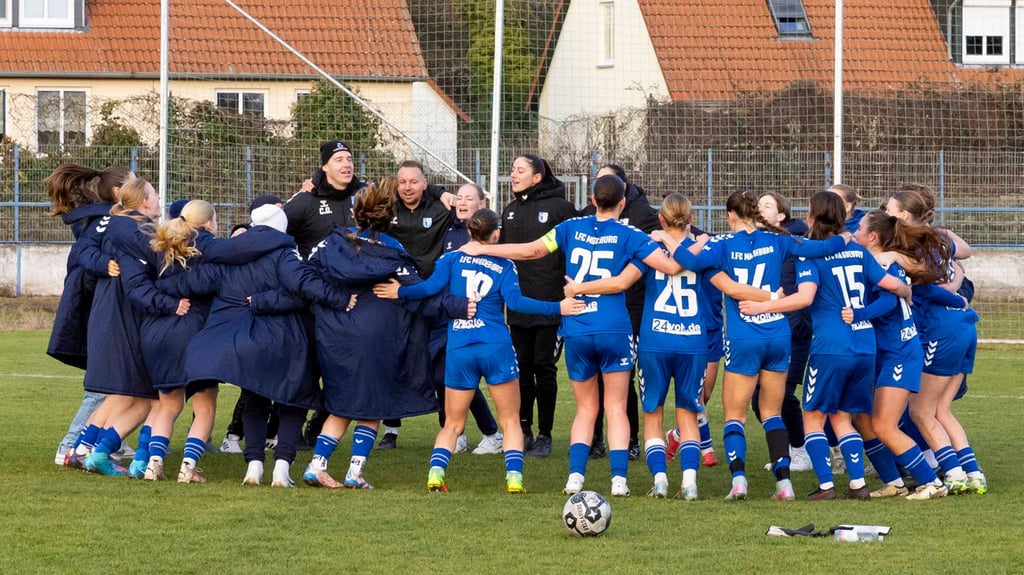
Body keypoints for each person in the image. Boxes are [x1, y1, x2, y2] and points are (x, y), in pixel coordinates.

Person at [463, 174, 687, 497]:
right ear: (623, 203)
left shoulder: (570, 228)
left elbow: (531, 251)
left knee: (585, 408)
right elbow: (669, 267)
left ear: (593, 201)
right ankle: (618, 480)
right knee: (616, 406)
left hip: (578, 327)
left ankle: (575, 478)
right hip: (613, 329)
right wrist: (669, 240)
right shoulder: (630, 234)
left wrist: (486, 249)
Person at [565, 193, 768, 500]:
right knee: (688, 413)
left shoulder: (650, 248)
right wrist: (772, 298)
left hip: (654, 342)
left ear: (660, 219)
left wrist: (579, 287)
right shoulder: (704, 249)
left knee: (653, 415)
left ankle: (660, 479)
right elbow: (729, 285)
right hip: (694, 342)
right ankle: (689, 483)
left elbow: (621, 281)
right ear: (691, 220)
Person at [374, 208, 584, 493]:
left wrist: (399, 292)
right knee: (510, 420)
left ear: (470, 232)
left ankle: (435, 475)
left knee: (452, 424)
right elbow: (517, 303)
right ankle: (514, 480)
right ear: (497, 234)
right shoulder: (505, 264)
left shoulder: (450, 259)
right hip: (495, 346)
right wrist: (557, 307)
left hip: (460, 346)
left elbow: (427, 290)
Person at [664, 190, 850, 501]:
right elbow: (822, 248)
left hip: (743, 337)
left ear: (730, 216)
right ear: (757, 215)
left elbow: (686, 261)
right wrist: (846, 237)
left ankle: (739, 481)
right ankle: (784, 484)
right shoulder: (780, 241)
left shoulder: (722, 245)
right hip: (778, 335)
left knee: (735, 415)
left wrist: (682, 241)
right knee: (772, 413)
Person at [294, 179, 472, 490]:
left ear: (355, 213)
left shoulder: (330, 245)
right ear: (389, 217)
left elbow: (303, 277)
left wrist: (335, 299)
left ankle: (316, 465)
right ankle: (354, 472)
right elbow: (423, 296)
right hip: (378, 337)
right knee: (374, 406)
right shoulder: (395, 253)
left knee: (341, 404)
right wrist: (458, 305)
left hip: (336, 338)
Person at [739, 192, 912, 500]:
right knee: (843, 416)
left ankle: (826, 485)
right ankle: (858, 484)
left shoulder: (811, 255)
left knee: (813, 416)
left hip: (831, 347)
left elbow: (805, 297)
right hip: (864, 346)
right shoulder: (859, 252)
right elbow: (892, 286)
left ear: (814, 216)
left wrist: (763, 307)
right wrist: (905, 289)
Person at [156, 204, 320, 487]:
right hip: (283, 337)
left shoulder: (228, 255)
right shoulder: (285, 253)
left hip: (242, 340)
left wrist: (153, 284)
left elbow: (189, 283)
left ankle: (253, 466)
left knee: (254, 399)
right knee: (292, 402)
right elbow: (301, 290)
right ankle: (282, 468)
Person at [848, 210, 965, 500]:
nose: (855, 231)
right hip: (889, 352)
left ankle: (931, 482)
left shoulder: (884, 263)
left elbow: (889, 300)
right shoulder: (880, 260)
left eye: (860, 228)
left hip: (900, 353)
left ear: (873, 237)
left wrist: (858, 314)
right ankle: (894, 482)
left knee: (885, 425)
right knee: (866, 420)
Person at [884, 187, 986, 495]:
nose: (884, 213)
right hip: (966, 327)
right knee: (942, 409)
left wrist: (893, 260)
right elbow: (962, 254)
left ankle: (952, 474)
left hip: (941, 329)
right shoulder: (939, 238)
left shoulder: (908, 246)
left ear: (902, 215)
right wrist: (955, 288)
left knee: (920, 411)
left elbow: (925, 286)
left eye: (889, 209)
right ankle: (974, 474)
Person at [45, 164, 135, 466]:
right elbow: (85, 255)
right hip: (99, 310)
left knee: (119, 380)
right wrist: (106, 264)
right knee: (103, 383)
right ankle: (70, 444)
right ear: (118, 192)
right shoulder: (104, 221)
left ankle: (111, 438)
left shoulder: (106, 219)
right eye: (135, 182)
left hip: (104, 309)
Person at [79, 177, 163, 476]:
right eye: (154, 194)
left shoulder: (118, 222)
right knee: (136, 393)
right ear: (143, 201)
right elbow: (84, 251)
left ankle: (84, 447)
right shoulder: (129, 226)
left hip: (120, 308)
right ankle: (103, 450)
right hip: (122, 309)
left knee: (122, 392)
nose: (158, 198)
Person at [498, 154, 578, 458]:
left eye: (520, 170)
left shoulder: (560, 208)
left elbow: (571, 251)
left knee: (544, 368)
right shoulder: (509, 211)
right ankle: (524, 429)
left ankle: (545, 434)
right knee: (522, 369)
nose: (513, 175)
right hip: (519, 306)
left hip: (551, 305)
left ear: (537, 177)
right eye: (512, 170)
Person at [375, 160, 458, 450]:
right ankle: (391, 429)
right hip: (397, 296)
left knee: (440, 367)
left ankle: (451, 430)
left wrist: (440, 192)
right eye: (402, 182)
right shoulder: (387, 209)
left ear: (425, 183)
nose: (407, 187)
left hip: (434, 296)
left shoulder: (441, 208)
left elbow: (469, 205)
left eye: (414, 181)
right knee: (392, 360)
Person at [582, 164, 659, 461]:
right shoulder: (588, 217)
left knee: (621, 376)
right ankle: (594, 439)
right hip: (594, 308)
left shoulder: (643, 217)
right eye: (598, 181)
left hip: (630, 308)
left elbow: (675, 233)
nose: (601, 185)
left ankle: (630, 440)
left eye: (607, 180)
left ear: (623, 188)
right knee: (593, 377)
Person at [436, 183, 504, 455]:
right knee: (450, 376)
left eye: (469, 198)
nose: (462, 202)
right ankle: (458, 432)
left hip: (481, 321)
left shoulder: (492, 238)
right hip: (451, 314)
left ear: (482, 205)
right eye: (459, 198)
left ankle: (493, 433)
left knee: (472, 377)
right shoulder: (451, 232)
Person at [751, 191, 811, 472]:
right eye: (758, 205)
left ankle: (801, 449)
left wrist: (793, 320)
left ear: (782, 216)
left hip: (792, 328)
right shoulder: (755, 241)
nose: (760, 209)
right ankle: (785, 448)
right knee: (756, 398)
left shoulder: (792, 242)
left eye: (767, 205)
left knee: (783, 394)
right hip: (763, 327)